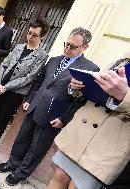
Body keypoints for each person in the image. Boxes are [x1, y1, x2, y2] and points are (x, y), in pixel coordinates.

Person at [0, 27, 100, 186]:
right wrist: (29, 99)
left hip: (55, 114)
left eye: (73, 46)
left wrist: (64, 119)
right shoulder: (53, 60)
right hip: (35, 105)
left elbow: (82, 101)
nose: (67, 48)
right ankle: (12, 163)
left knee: (38, 147)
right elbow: (39, 82)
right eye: (67, 44)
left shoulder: (90, 69)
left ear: (85, 47)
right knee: (22, 138)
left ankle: (21, 173)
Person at [47, 56, 130, 189]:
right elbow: (98, 88)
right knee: (59, 174)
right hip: (83, 129)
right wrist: (79, 87)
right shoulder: (123, 59)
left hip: (110, 140)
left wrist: (124, 96)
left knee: (78, 186)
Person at [0, 18, 50, 154]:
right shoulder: (19, 47)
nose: (30, 37)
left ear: (42, 37)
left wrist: (6, 87)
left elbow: (29, 78)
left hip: (15, 92)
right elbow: (4, 64)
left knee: (2, 119)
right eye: (29, 33)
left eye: (34, 35)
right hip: (0, 85)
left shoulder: (42, 55)